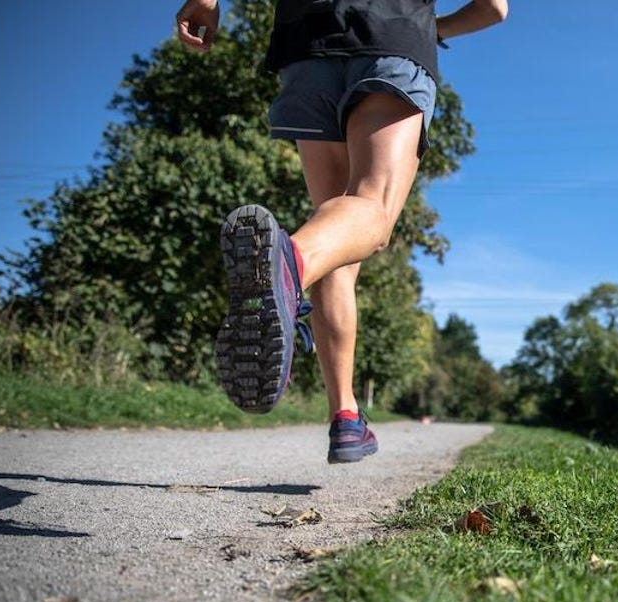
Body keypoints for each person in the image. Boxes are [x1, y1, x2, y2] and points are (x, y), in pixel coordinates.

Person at [174, 0, 507, 463]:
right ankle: (287, 266)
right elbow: (495, 7)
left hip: (306, 42)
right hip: (393, 35)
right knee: (370, 209)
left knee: (335, 231)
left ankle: (346, 415)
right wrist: (436, 27)